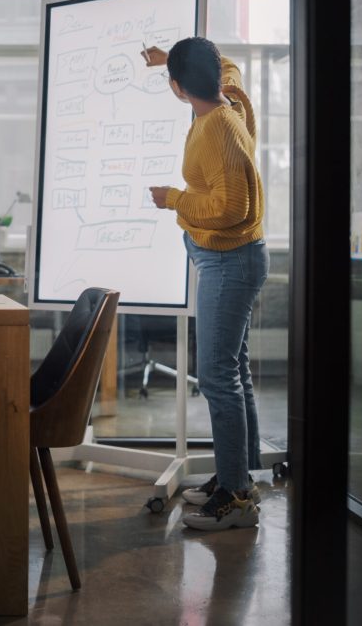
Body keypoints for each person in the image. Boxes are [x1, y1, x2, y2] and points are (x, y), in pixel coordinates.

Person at [143, 37, 268, 531]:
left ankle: (236, 499)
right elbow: (227, 64)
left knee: (217, 377)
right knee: (234, 370)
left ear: (177, 89)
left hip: (228, 261)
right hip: (228, 259)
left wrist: (174, 198)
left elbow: (231, 209)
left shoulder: (219, 127)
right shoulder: (230, 96)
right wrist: (166, 60)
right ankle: (240, 475)